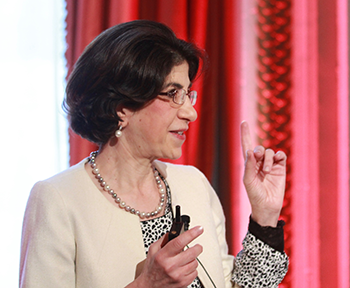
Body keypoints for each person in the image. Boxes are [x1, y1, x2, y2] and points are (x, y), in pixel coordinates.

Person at [19, 20, 288, 288]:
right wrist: (146, 285)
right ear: (122, 106)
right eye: (172, 94)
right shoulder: (58, 200)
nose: (190, 113)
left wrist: (264, 217)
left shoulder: (193, 184)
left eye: (187, 94)